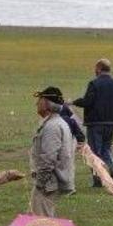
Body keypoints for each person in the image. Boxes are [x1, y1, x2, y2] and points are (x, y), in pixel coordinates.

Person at [70, 58, 113, 186]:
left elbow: (87, 102)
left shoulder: (94, 84)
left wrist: (73, 102)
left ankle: (98, 180)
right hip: (112, 123)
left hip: (95, 123)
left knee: (94, 153)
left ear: (99, 69)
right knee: (106, 148)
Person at [30, 87, 76, 217]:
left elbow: (49, 158)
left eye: (40, 100)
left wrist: (40, 183)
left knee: (42, 221)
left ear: (46, 103)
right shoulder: (57, 123)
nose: (37, 103)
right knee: (42, 219)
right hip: (51, 182)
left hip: (48, 183)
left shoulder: (52, 126)